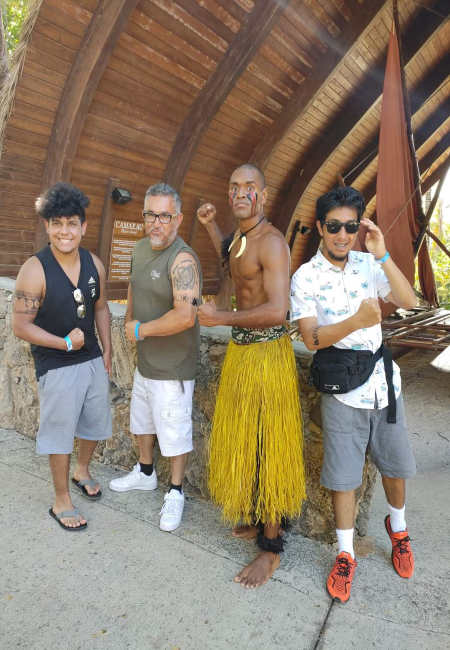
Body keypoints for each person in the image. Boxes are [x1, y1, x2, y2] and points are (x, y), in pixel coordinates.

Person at [290, 186, 417, 603]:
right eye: (333, 227)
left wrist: (381, 254)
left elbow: (408, 299)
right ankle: (345, 555)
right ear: (321, 228)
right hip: (342, 390)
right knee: (343, 478)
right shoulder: (305, 276)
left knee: (395, 466)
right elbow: (311, 338)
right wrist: (356, 319)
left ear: (357, 229)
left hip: (384, 384)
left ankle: (397, 528)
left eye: (349, 227)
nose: (342, 235)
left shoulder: (367, 263)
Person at [197, 163, 305, 588]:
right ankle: (262, 522)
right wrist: (209, 227)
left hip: (266, 355)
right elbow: (233, 263)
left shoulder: (273, 243)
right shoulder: (243, 238)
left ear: (264, 193)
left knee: (269, 445)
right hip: (244, 353)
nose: (240, 193)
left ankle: (271, 549)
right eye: (233, 186)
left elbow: (278, 310)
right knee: (249, 440)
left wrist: (218, 317)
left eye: (248, 187)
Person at [12, 182, 112, 531]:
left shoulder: (94, 264)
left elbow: (101, 310)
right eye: (57, 223)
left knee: (94, 422)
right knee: (59, 431)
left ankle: (81, 470)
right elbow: (21, 325)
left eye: (71, 223)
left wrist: (108, 353)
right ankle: (61, 501)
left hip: (92, 358)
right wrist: (64, 344)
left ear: (83, 227)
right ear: (47, 227)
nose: (64, 231)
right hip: (56, 364)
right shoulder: (35, 269)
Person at [109, 183, 201, 533]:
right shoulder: (140, 248)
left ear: (177, 218)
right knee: (142, 423)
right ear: (143, 216)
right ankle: (145, 472)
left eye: (165, 215)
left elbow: (185, 316)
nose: (157, 222)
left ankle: (176, 492)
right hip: (146, 362)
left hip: (174, 367)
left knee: (175, 432)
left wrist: (139, 330)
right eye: (151, 214)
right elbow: (134, 286)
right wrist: (132, 322)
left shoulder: (183, 260)